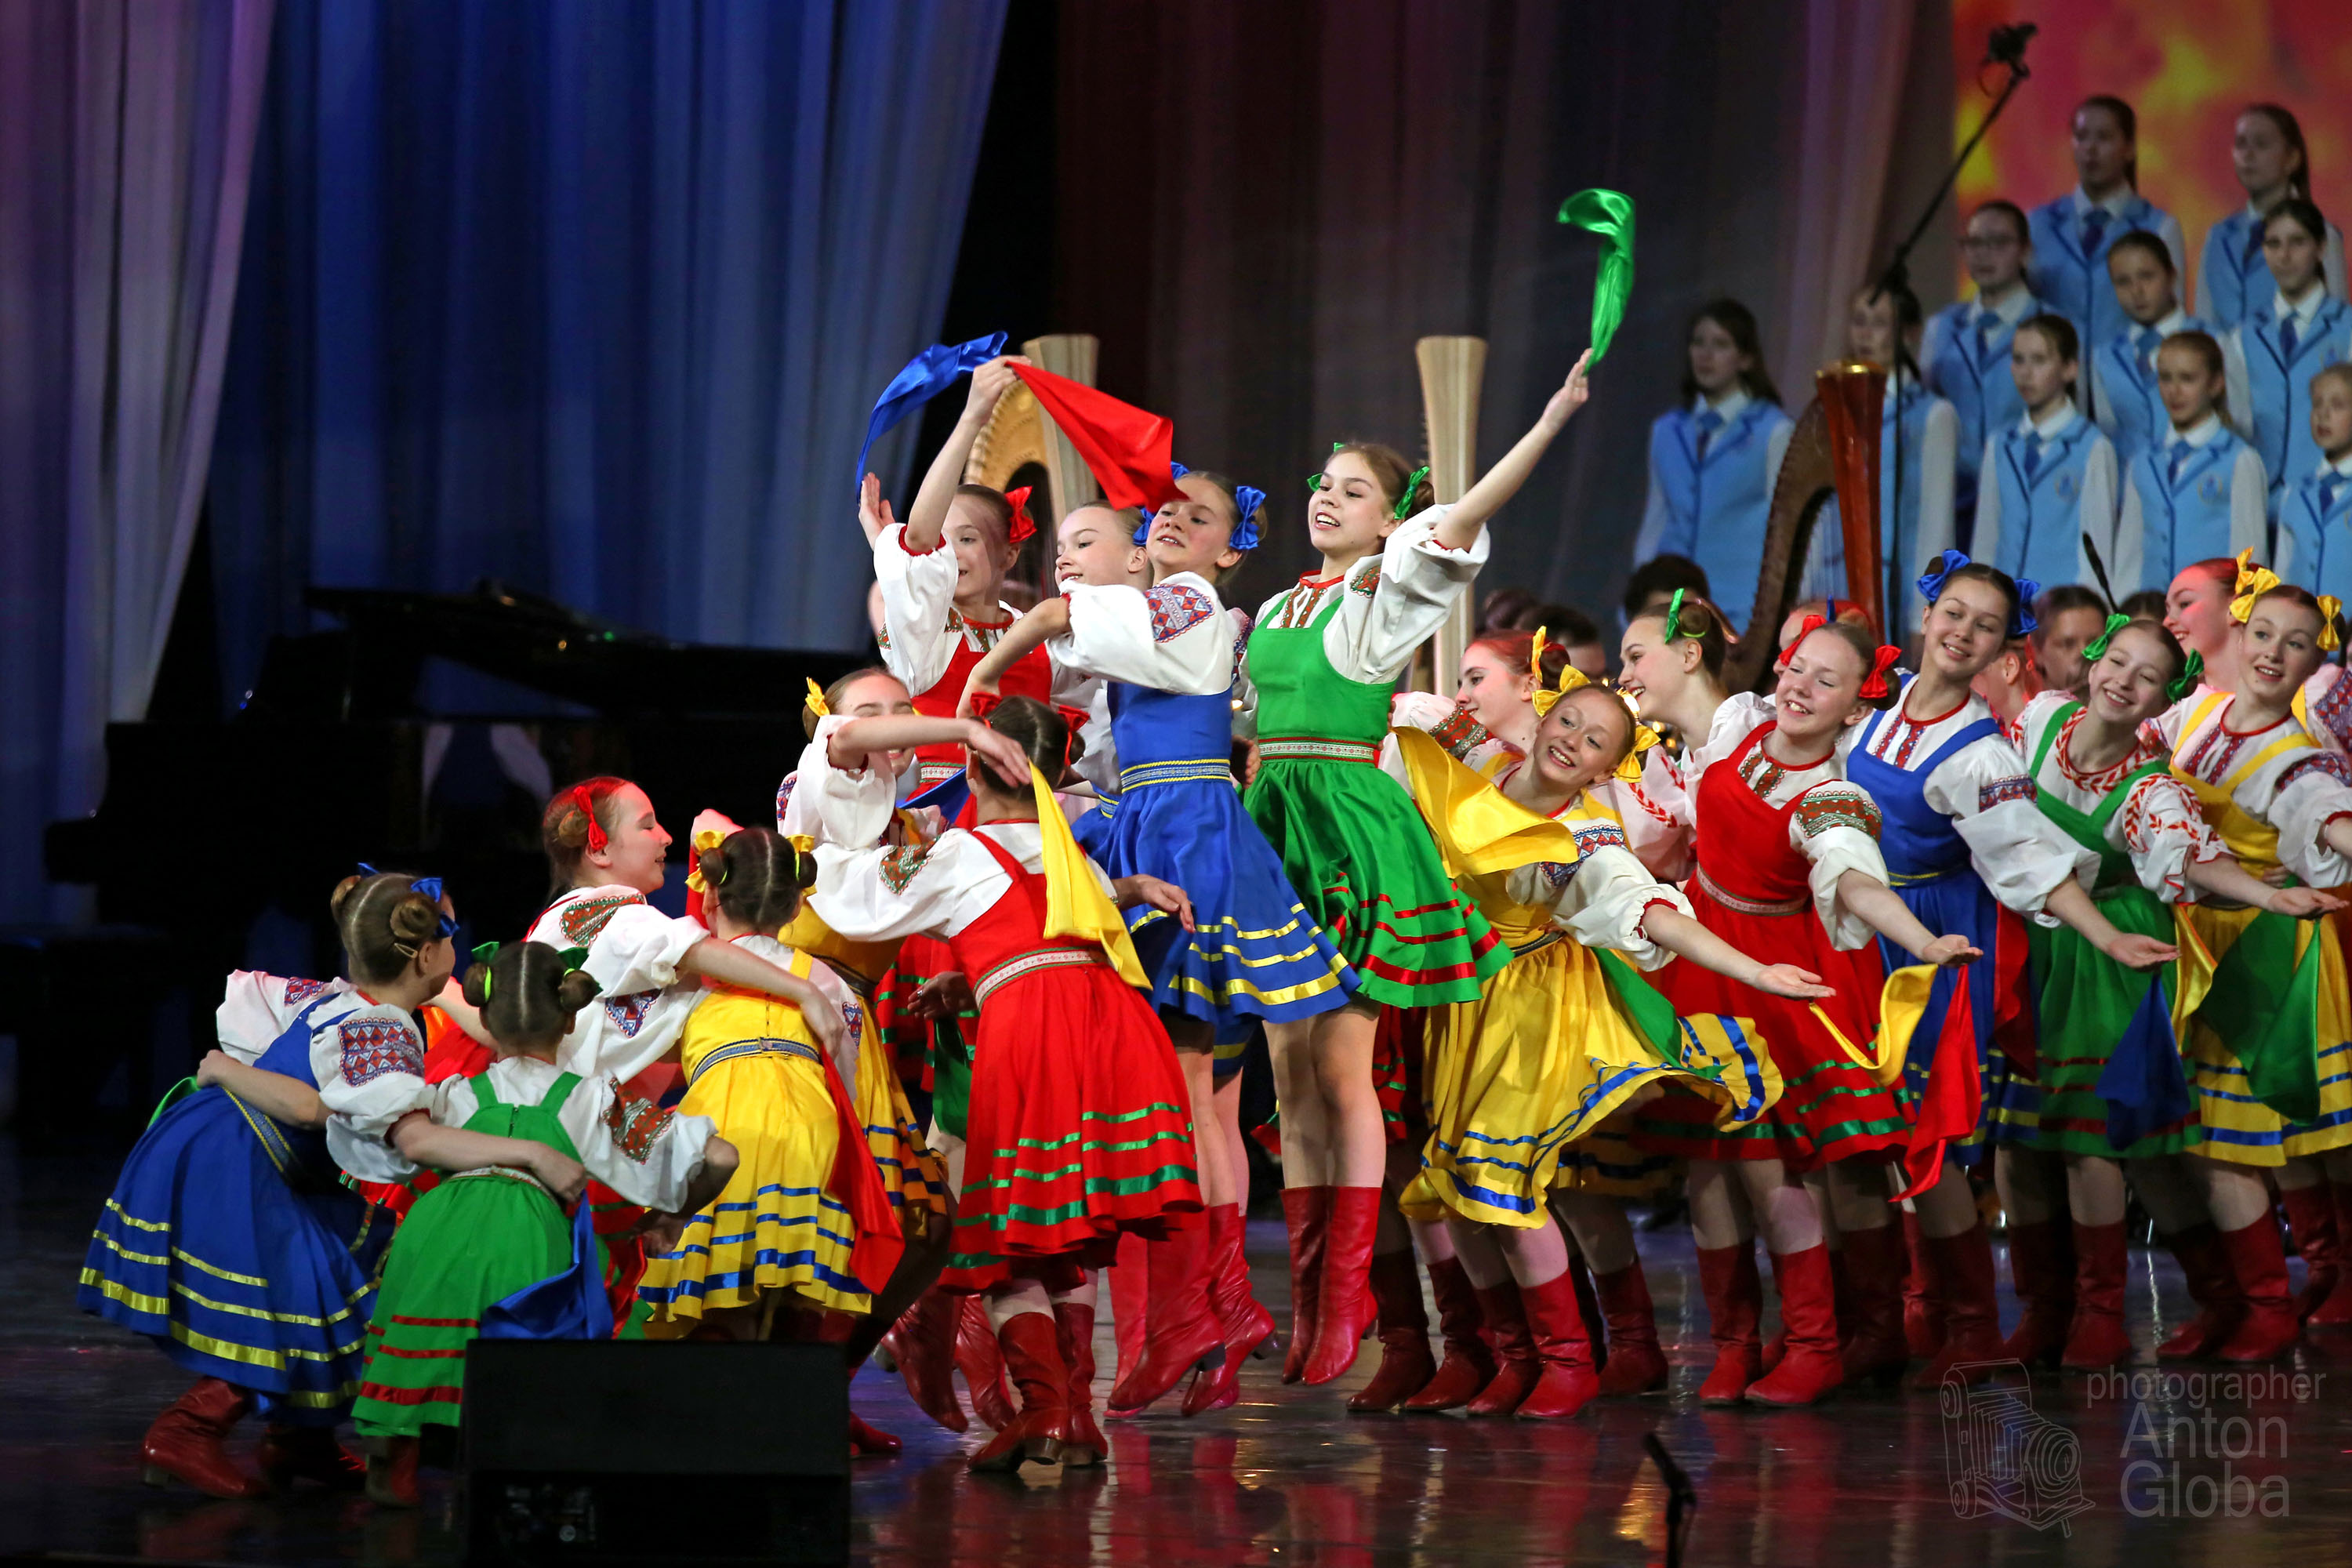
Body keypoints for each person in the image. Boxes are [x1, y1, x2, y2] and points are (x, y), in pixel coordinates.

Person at [1241, 351, 1595, 1388]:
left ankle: (1346, 1305)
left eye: (1352, 490)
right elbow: (1256, 729)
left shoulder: (1382, 594)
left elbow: (1464, 512)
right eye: (1322, 485)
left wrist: (1548, 420)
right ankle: (1310, 1301)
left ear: (1391, 519)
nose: (1325, 500)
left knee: (1345, 1074)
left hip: (1352, 830)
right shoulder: (1274, 611)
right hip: (1278, 828)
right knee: (1288, 1079)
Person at [964, 466, 1348, 1418]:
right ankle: (1215, 1309)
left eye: (1198, 517)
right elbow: (1080, 667)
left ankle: (1202, 1309)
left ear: (1231, 547)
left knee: (1187, 1095)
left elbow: (1061, 625)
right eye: (1167, 511)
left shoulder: (1187, 601)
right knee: (1206, 1104)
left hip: (1187, 828)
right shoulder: (1159, 608)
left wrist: (986, 662)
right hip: (1158, 819)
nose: (1175, 523)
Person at [798, 697, 1203, 1471]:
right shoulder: (1071, 854)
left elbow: (850, 886)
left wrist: (804, 853)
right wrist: (1135, 887)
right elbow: (1048, 925)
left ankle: (1047, 1405)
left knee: (1002, 1227)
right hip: (1109, 1023)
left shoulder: (958, 853)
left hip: (1033, 1030)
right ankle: (1077, 1412)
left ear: (982, 767)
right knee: (1066, 1224)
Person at [1385, 672, 1805, 1417]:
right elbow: (1387, 715)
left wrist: (1753, 969)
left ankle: (1569, 1362)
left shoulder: (1588, 838)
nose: (1570, 742)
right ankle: (1509, 1359)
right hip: (1456, 997)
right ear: (1543, 717)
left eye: (1593, 741)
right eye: (1568, 722)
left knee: (1499, 1185)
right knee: (1453, 1194)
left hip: (1531, 1010)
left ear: (1606, 770)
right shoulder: (1479, 761)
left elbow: (1654, 913)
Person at [1842, 554, 2177, 1381]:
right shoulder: (1875, 715)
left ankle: (1972, 1324)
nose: (1962, 632)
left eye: (1985, 624)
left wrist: (2103, 935)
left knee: (1931, 1133)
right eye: (1954, 613)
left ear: (2003, 647)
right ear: (1928, 614)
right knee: (1871, 1130)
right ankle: (1908, 1311)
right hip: (1867, 931)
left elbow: (2030, 859)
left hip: (1940, 937)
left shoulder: (1982, 752)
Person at [1630, 617, 1978, 1406]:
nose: (1799, 686)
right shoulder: (1744, 724)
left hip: (1786, 974)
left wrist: (1921, 939)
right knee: (1707, 1163)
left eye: (1825, 680)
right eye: (1795, 667)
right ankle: (1736, 1342)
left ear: (1855, 707)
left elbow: (1856, 879)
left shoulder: (1829, 795)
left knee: (1800, 1163)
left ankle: (1834, 1336)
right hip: (1707, 954)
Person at [77, 873, 488, 1499]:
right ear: (427, 954)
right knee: (293, 1299)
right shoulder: (383, 1027)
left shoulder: (336, 999)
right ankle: (186, 1430)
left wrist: (228, 1070)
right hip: (238, 1160)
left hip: (243, 1151)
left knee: (352, 1275)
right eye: (452, 935)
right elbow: (307, 1108)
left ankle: (299, 1439)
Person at [2013, 615, 2341, 1367]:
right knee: (2023, 1138)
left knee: (2116, 1139)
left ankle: (2130, 1310)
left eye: (2147, 677)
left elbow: (2189, 853)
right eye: (2116, 662)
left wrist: (2266, 897)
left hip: (2127, 951)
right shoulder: (2039, 720)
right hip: (2030, 945)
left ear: (2164, 696)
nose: (2124, 682)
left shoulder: (2152, 788)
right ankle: (2048, 1310)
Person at [353, 942, 736, 1506]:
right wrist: (673, 1213)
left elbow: (379, 1140)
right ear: (571, 1016)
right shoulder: (590, 1100)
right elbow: (721, 1157)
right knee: (530, 1386)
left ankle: (394, 1470)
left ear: (483, 1016)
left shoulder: (452, 1096)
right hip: (526, 1240)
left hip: (433, 1240)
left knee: (420, 1350)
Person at [2141, 570, 2352, 1362]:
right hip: (2200, 944)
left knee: (2278, 1134)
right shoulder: (2202, 711)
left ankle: (2281, 1297)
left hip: (2268, 951)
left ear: (2312, 665)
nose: (2274, 652)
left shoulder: (2297, 756)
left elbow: (2327, 820)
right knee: (2216, 1140)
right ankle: (2253, 1293)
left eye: (2297, 643)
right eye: (2264, 633)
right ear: (2240, 631)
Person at [869, 354, 1058, 789]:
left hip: (1035, 809)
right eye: (942, 541)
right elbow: (917, 552)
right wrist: (973, 416)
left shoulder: (1037, 634)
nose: (948, 555)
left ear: (1010, 555)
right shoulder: (926, 634)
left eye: (968, 539)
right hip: (943, 811)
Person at [1802, 281, 1958, 631]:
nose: (1866, 334)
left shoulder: (1933, 414)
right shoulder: (1835, 410)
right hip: (1834, 585)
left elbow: (1937, 522)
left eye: (1879, 323)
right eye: (1859, 321)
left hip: (1895, 593)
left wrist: (1925, 611)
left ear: (1908, 333)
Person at [1633, 302, 1794, 633]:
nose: (1705, 355)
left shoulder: (1772, 430)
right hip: (1670, 603)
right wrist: (1639, 593)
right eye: (1698, 343)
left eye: (1720, 344)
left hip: (1740, 608)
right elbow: (1656, 520)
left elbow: (1787, 528)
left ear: (1746, 358)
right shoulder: (1667, 429)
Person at [2027, 95, 2188, 412]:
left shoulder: (2157, 226)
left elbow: (2172, 322)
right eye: (2082, 137)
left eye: (2104, 138)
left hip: (2129, 397)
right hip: (2054, 398)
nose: (2090, 148)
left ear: (2129, 149)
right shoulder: (2038, 225)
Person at [2222, 199, 2352, 514]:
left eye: (2298, 242)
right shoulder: (2242, 336)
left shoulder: (2347, 326)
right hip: (2258, 502)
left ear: (2321, 248)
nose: (2284, 256)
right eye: (2273, 244)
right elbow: (2237, 425)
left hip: (2329, 502)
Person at [1973, 314, 2119, 593]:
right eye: (2018, 360)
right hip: (2005, 607)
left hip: (2061, 608)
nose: (2026, 373)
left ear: (2069, 369)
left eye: (2039, 360)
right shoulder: (2000, 444)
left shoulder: (2092, 446)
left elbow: (2097, 546)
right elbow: (1986, 537)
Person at [2114, 332, 2268, 593]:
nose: (2174, 391)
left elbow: (2250, 558)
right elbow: (2129, 556)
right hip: (2153, 615)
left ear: (2216, 383)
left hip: (2211, 616)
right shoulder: (2143, 462)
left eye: (2187, 379)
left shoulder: (2239, 459)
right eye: (2165, 378)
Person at [1925, 201, 2046, 524]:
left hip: (2026, 498)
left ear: (2024, 251)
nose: (1984, 254)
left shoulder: (2052, 325)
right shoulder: (1942, 328)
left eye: (1999, 243)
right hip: (1955, 505)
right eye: (1975, 243)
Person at [2198, 105, 2347, 332]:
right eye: (2241, 144)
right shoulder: (2218, 235)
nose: (2248, 155)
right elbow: (2204, 322)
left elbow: (2337, 325)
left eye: (2261, 144)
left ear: (2292, 159)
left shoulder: (2321, 233)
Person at [2089, 232, 2219, 472]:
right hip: (2132, 493)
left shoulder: (2213, 340)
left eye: (2147, 277)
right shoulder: (2104, 356)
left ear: (2171, 276)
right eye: (2123, 282)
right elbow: (2108, 433)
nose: (2137, 291)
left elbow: (2238, 420)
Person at [2277, 363, 2352, 600]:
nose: (2323, 414)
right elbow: (2283, 572)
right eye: (2317, 404)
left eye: (2338, 405)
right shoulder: (2295, 492)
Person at [2033, 583, 2113, 699]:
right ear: (2037, 651)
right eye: (2068, 644)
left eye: (2096, 643)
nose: (2085, 654)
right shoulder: (2022, 715)